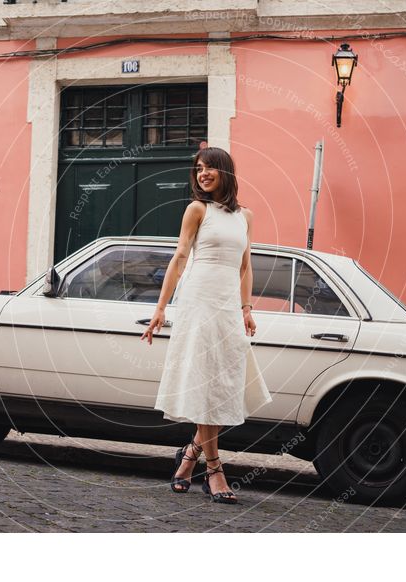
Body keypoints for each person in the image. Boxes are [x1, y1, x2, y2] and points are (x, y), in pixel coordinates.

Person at [141, 146, 272, 505]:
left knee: (221, 384)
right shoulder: (197, 209)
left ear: (224, 172)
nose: (203, 173)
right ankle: (215, 470)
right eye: (198, 168)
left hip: (227, 306)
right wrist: (161, 308)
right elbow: (181, 256)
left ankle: (188, 458)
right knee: (204, 382)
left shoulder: (246, 216)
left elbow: (246, 266)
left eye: (210, 167)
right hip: (198, 302)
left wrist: (246, 308)